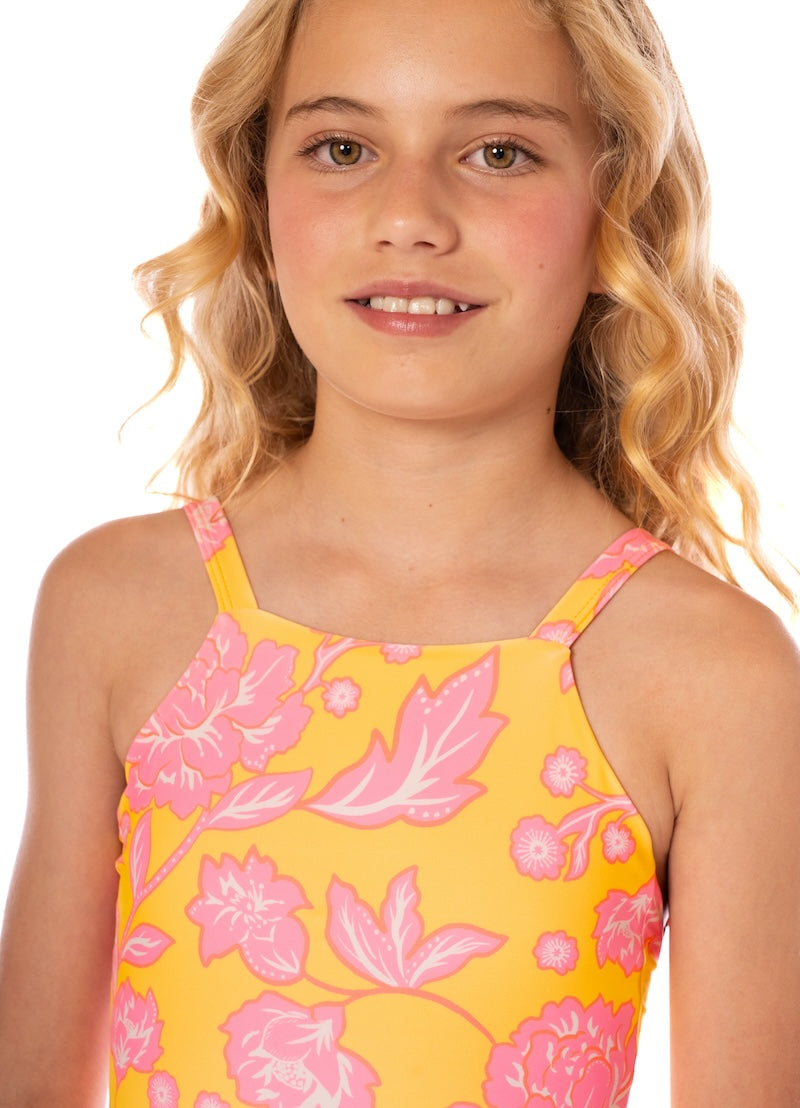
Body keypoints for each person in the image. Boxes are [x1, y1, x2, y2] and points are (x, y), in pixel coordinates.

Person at [1, 0, 798, 1104]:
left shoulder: (709, 672)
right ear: (258, 197)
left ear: (612, 208)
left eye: (497, 152)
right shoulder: (115, 606)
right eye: (342, 148)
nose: (409, 216)